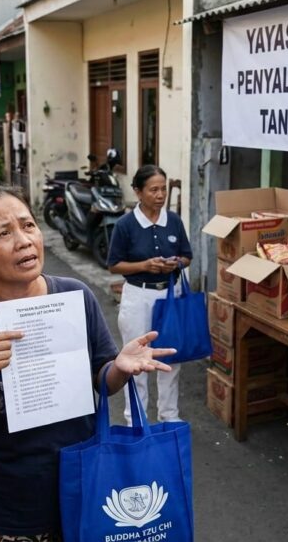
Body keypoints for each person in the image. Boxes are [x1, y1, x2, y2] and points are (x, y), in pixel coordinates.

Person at [0, 185, 175, 541]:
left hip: (86, 491)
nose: (24, 241)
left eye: (28, 225)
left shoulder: (75, 295)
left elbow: (102, 379)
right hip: (6, 511)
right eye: (4, 233)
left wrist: (118, 368)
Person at [107, 165, 192, 425]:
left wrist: (175, 263)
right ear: (138, 192)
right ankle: (136, 419)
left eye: (163, 189)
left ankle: (169, 416)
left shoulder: (173, 220)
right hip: (138, 296)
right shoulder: (125, 225)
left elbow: (187, 256)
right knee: (136, 361)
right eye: (153, 190)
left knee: (170, 358)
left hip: (170, 295)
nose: (160, 195)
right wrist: (145, 265)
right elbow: (114, 265)